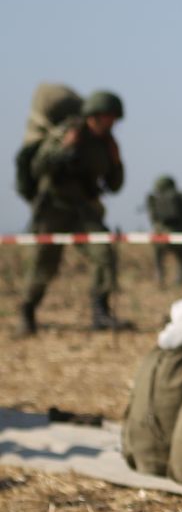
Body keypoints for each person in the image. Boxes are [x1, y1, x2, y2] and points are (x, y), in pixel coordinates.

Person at [17, 90, 129, 333]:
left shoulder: (107, 144)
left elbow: (115, 185)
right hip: (53, 209)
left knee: (103, 252)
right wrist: (64, 149)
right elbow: (38, 167)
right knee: (43, 263)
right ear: (95, 115)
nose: (112, 123)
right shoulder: (68, 133)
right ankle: (27, 311)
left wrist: (117, 162)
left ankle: (101, 312)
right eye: (109, 117)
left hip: (83, 210)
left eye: (114, 118)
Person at [145, 175, 182, 287]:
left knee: (159, 259)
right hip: (180, 234)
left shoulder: (154, 199)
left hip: (160, 235)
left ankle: (159, 279)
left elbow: (152, 218)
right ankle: (181, 283)